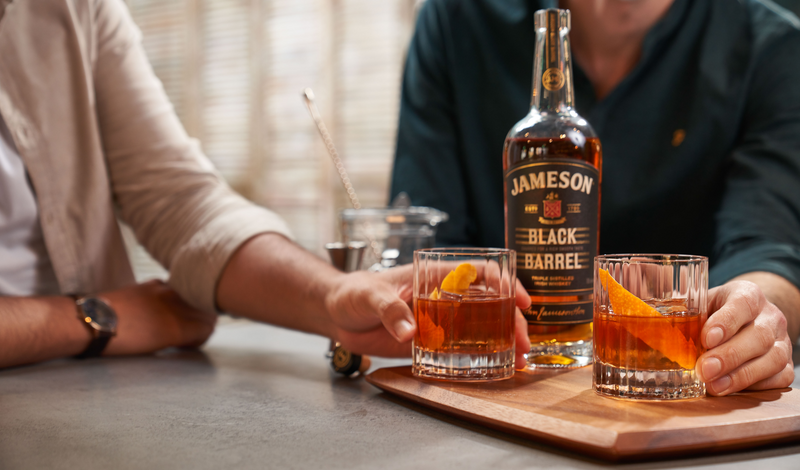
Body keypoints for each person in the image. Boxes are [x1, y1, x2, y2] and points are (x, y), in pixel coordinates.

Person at [0, 0, 531, 370]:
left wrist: (333, 295)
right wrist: (93, 320)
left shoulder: (72, 7)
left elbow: (181, 203)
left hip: (95, 386)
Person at [391, 0, 800, 395]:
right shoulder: (454, 18)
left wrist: (748, 318)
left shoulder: (772, 45)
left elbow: (768, 249)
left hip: (671, 393)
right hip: (490, 393)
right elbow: (428, 257)